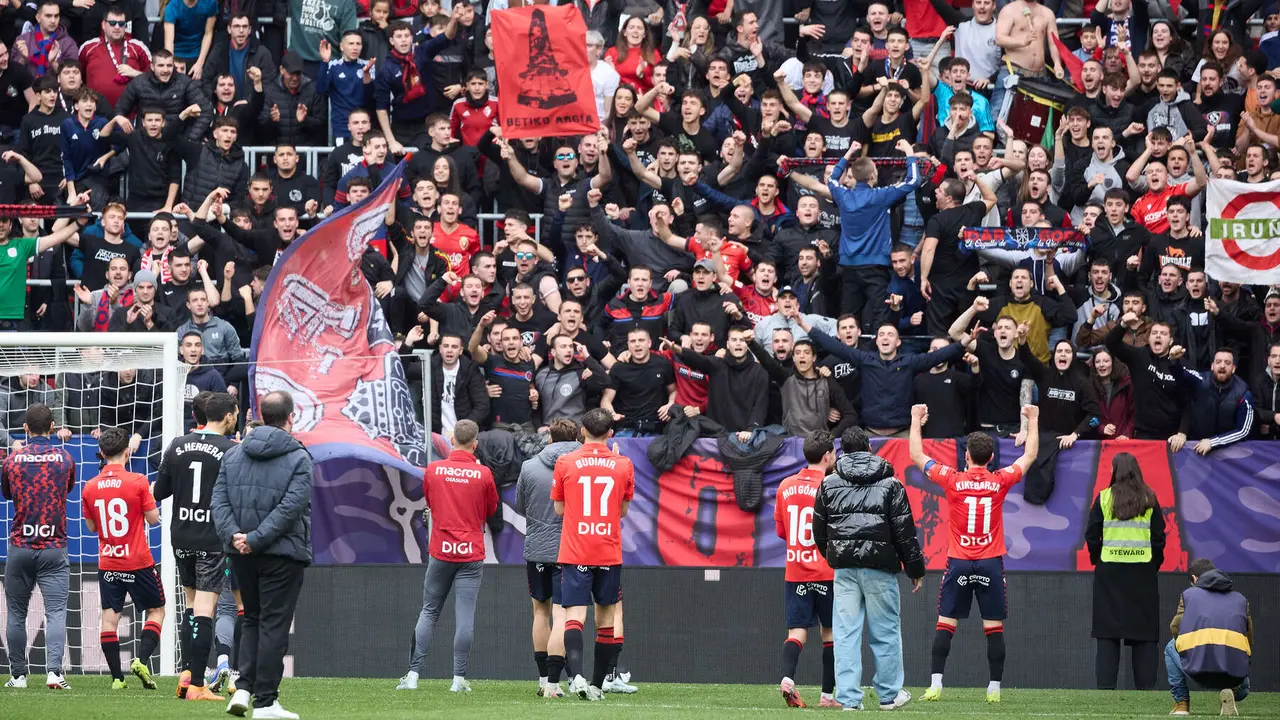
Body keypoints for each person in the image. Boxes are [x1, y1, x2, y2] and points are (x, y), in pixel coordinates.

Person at [910, 403, 1040, 703]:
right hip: (990, 563)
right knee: (993, 627)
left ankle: (936, 685)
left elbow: (917, 455)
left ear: (966, 456)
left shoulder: (951, 479)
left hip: (959, 562)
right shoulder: (1000, 480)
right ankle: (994, 690)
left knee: (946, 623)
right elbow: (1030, 455)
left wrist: (916, 419)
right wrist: (1033, 419)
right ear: (991, 458)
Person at [212, 391, 313, 720]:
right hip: (281, 554)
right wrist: (256, 539)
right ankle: (266, 702)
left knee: (252, 619)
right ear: (290, 417)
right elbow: (291, 508)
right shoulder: (299, 457)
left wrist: (236, 537)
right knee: (273, 625)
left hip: (241, 553)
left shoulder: (232, 455)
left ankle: (243, 688)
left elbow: (219, 503)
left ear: (261, 415)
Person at [812, 426, 925, 711]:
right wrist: (915, 569)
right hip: (879, 568)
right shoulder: (891, 484)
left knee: (845, 634)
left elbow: (819, 530)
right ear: (870, 448)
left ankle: (849, 700)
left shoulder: (828, 483)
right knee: (885, 632)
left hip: (845, 569)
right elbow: (905, 532)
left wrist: (834, 556)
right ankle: (889, 696)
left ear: (842, 451)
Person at [398, 419, 499, 693]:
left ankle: (413, 676)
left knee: (429, 611)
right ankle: (458, 679)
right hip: (470, 552)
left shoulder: (434, 470)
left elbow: (430, 502)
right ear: (475, 444)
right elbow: (491, 509)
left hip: (441, 549)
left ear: (452, 440)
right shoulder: (484, 474)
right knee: (465, 617)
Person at [153, 391, 238, 701]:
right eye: (235, 413)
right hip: (211, 538)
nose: (236, 418)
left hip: (181, 536)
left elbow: (159, 492)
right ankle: (198, 686)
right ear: (227, 416)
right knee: (205, 609)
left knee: (190, 604)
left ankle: (187, 672)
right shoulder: (231, 450)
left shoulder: (177, 445)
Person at [551, 408, 635, 701]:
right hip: (607, 551)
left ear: (582, 432)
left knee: (574, 616)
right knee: (606, 619)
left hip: (576, 550)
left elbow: (559, 510)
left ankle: (576, 677)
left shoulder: (566, 462)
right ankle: (598, 686)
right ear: (610, 433)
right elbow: (622, 511)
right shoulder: (623, 464)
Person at [80, 425, 163, 691]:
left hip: (108, 562)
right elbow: (153, 519)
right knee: (157, 610)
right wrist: (150, 496)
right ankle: (141, 660)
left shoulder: (89, 487)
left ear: (102, 453)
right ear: (127, 452)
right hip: (137, 561)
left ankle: (117, 678)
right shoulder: (138, 481)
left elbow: (92, 527)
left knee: (109, 619)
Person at [2, 403, 76, 690]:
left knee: (16, 613)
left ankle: (18, 676)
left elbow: (7, 493)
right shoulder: (65, 459)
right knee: (55, 611)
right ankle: (54, 673)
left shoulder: (12, 461)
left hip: (21, 546)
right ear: (53, 427)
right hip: (53, 547)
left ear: (25, 428)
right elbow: (67, 488)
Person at [1086, 452, 1167, 691]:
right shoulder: (1149, 498)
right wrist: (1152, 565)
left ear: (1114, 471)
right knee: (1145, 632)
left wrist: (1098, 560)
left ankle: (1105, 690)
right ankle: (1146, 689)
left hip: (1109, 574)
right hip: (1143, 574)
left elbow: (1091, 535)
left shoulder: (1103, 498)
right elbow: (1159, 538)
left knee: (1107, 632)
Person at [515, 418, 579, 698]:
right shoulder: (581, 466)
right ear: (577, 438)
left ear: (549, 438)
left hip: (538, 548)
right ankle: (561, 681)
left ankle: (544, 680)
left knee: (540, 612)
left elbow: (520, 505)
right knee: (564, 614)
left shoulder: (529, 466)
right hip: (570, 549)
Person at [774, 430, 838, 709]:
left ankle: (787, 678)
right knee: (830, 634)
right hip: (826, 572)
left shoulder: (785, 485)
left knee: (796, 632)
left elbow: (781, 531)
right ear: (826, 456)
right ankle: (827, 697)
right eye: (834, 453)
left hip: (796, 571)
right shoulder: (832, 486)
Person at [1166, 558, 1252, 717]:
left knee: (1170, 647)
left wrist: (1191, 648)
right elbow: (1248, 637)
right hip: (1235, 675)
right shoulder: (1240, 599)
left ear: (1194, 579)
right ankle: (1231, 691)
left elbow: (1175, 627)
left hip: (1200, 670)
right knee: (1238, 659)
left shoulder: (1189, 595)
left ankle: (1181, 705)